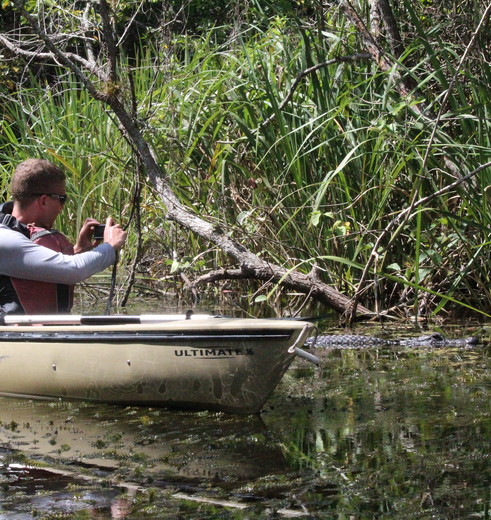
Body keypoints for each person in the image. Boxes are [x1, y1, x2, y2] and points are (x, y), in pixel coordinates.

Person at [0, 158, 127, 314]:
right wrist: (110, 246)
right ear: (44, 201)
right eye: (62, 199)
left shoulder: (18, 231)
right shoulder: (4, 239)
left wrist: (79, 251)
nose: (61, 208)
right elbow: (73, 270)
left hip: (36, 332)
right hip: (13, 335)